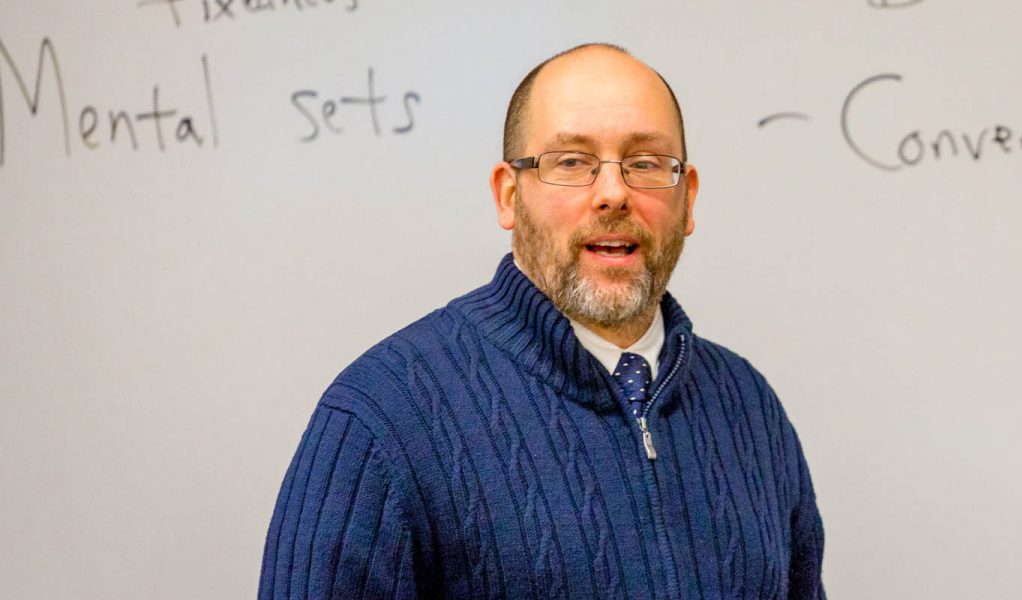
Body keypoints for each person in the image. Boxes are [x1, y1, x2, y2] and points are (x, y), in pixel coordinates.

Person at [257, 43, 826, 599]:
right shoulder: (384, 415)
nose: (612, 193)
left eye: (646, 163)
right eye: (572, 162)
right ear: (509, 195)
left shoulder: (749, 406)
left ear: (688, 198)